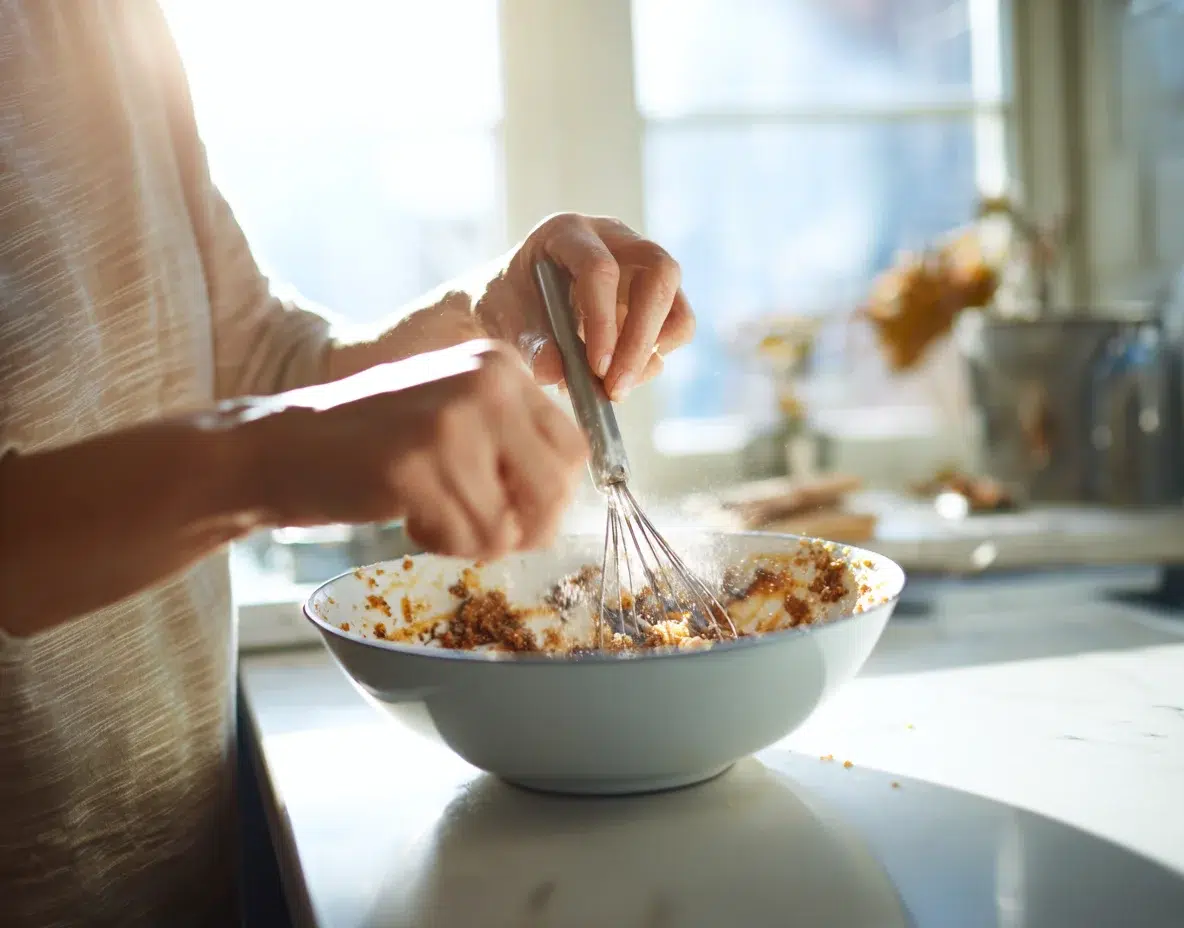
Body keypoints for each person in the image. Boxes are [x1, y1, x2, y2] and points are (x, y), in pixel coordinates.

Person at [0, 3, 695, 924]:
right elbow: (264, 428)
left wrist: (485, 320)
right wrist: (265, 459)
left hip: (174, 860)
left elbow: (259, 366)